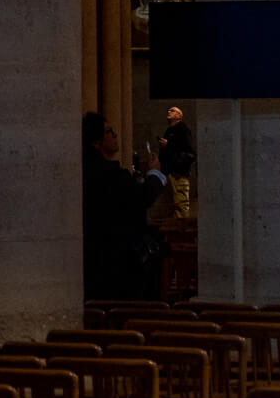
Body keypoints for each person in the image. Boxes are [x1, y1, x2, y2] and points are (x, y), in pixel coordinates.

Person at [81, 110, 167, 299]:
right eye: (109, 132)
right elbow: (140, 198)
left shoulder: (82, 169)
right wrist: (155, 174)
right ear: (96, 141)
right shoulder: (108, 174)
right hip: (115, 261)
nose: (115, 135)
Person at [158, 105, 196, 218]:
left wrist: (168, 144)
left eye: (173, 111)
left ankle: (182, 228)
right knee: (170, 206)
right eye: (169, 110)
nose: (169, 111)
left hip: (178, 173)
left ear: (179, 116)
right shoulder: (169, 130)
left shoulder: (183, 129)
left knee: (181, 205)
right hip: (168, 172)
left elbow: (188, 150)